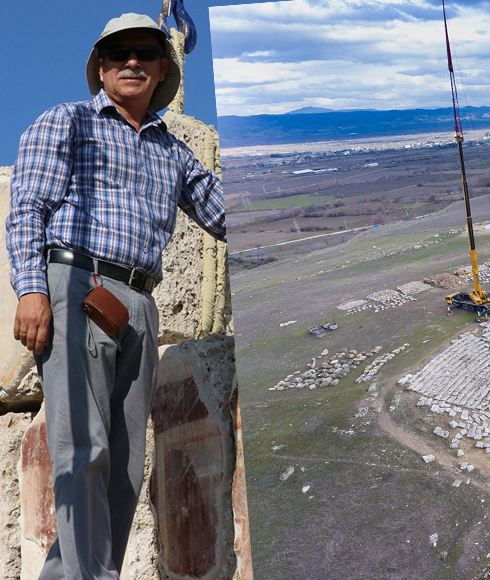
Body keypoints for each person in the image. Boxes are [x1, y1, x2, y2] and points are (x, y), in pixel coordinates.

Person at [6, 13, 225, 580]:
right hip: (77, 286)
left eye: (145, 53)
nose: (132, 61)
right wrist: (31, 289)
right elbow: (27, 205)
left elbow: (227, 214)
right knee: (84, 446)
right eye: (119, 52)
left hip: (141, 303)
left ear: (161, 70)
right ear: (101, 67)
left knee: (126, 466)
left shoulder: (174, 152)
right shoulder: (69, 121)